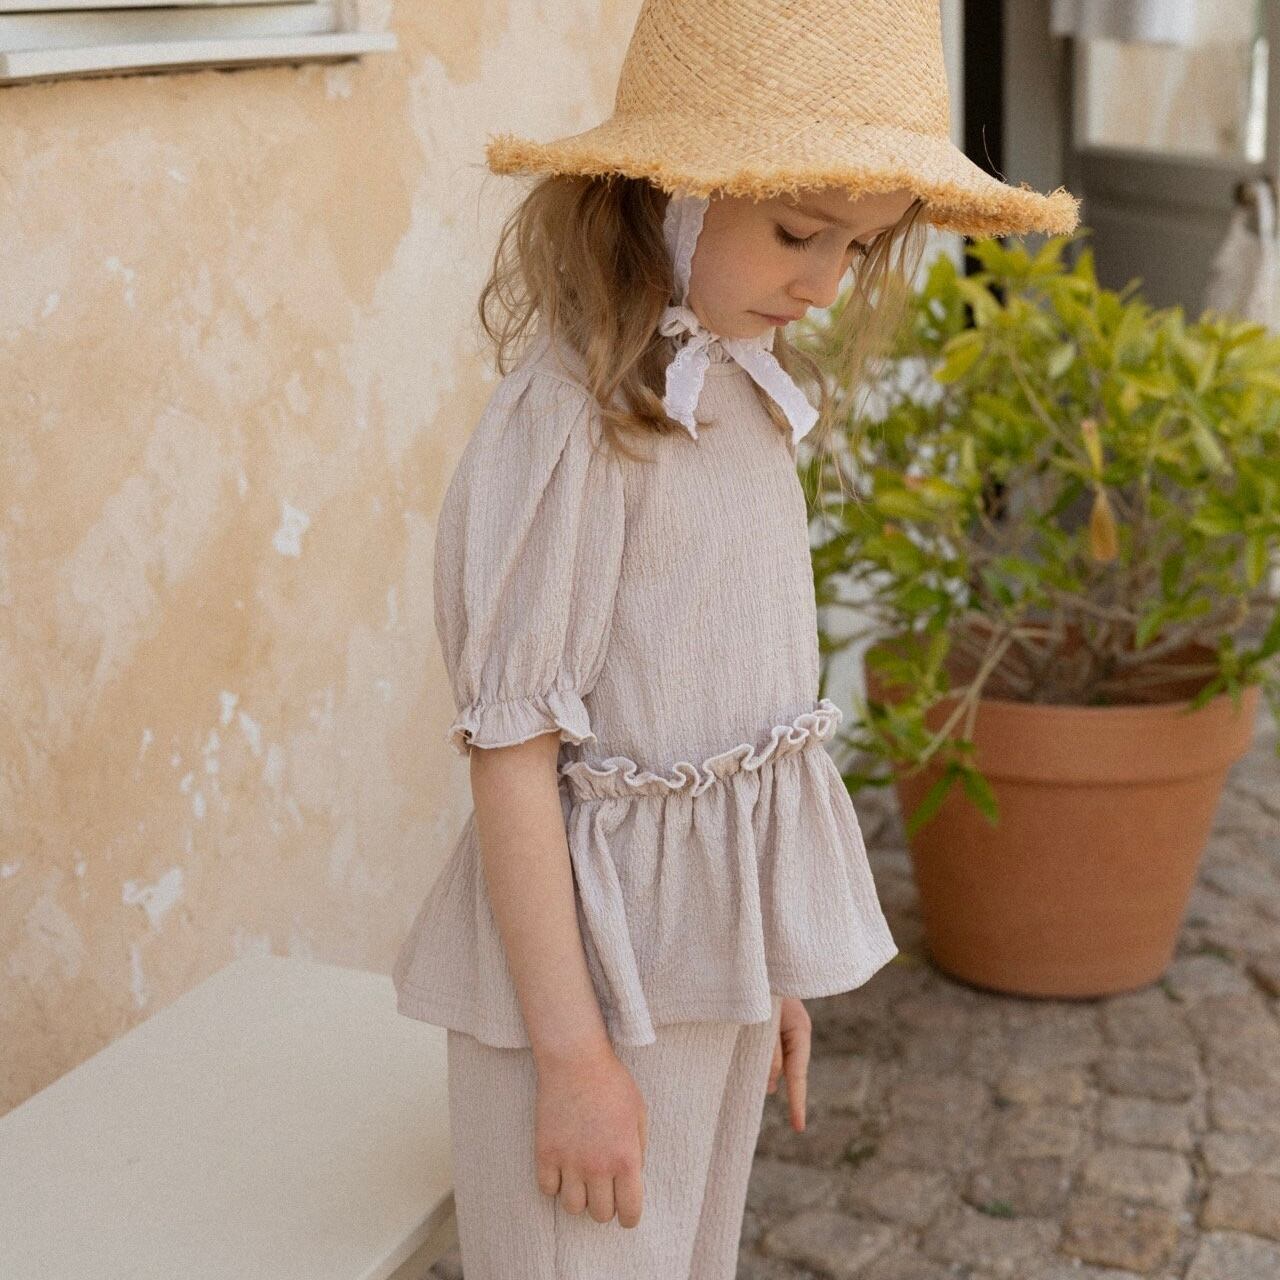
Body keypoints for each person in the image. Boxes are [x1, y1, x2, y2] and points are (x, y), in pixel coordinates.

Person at [391, 1, 1080, 1276]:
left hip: (701, 974)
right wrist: (574, 1059)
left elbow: (728, 729)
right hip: (587, 988)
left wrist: (766, 969)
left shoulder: (740, 400)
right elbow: (512, 754)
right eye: (796, 232)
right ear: (667, 194)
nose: (823, 282)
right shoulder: (574, 427)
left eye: (857, 246)